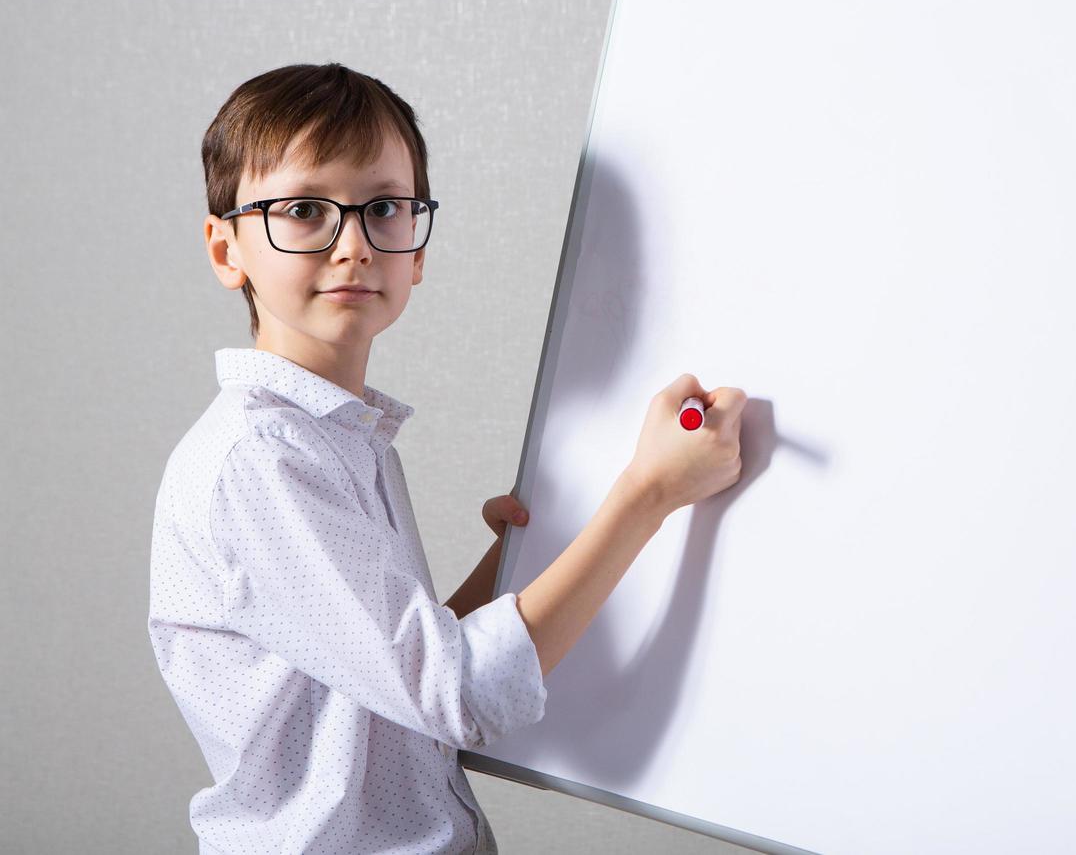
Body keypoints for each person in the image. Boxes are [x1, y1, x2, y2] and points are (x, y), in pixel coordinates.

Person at [146, 61, 746, 854]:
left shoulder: (338, 438)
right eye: (302, 211)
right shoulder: (264, 461)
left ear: (418, 249)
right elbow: (456, 692)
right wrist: (649, 493)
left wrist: (512, 562)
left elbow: (391, 670)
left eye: (386, 209)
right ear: (227, 249)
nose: (354, 245)